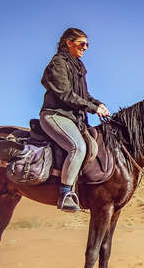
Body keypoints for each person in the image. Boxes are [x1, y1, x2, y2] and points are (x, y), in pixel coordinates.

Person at [39, 27, 111, 212]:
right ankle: (65, 194)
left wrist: (99, 104)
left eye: (87, 44)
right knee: (77, 147)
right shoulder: (58, 63)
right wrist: (93, 108)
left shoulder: (78, 66)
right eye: (82, 43)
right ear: (68, 42)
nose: (86, 47)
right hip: (55, 115)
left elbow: (84, 95)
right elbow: (66, 94)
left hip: (73, 118)